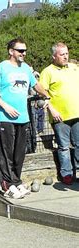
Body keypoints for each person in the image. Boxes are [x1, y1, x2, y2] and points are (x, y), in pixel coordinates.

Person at [0, 37, 49, 198]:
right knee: (6, 151)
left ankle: (16, 180)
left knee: (19, 152)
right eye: (20, 50)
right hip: (6, 116)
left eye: (25, 50)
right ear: (11, 51)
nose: (24, 53)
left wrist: (47, 94)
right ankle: (6, 183)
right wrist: (5, 106)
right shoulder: (1, 68)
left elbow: (35, 85)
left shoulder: (26, 69)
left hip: (23, 117)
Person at [40, 42, 79, 185]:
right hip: (59, 116)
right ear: (54, 56)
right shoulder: (47, 72)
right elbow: (42, 93)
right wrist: (51, 108)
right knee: (63, 146)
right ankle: (67, 174)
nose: (65, 56)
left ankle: (78, 171)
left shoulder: (75, 68)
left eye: (67, 53)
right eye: (62, 54)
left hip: (77, 113)